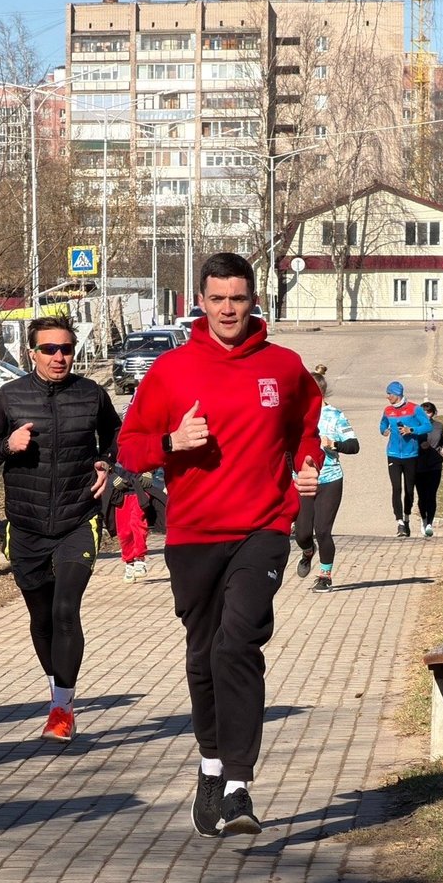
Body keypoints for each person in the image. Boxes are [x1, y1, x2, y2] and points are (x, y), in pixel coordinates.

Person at [118, 253, 321, 838]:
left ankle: (237, 785)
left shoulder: (283, 366)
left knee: (238, 644)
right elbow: (129, 447)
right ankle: (210, 767)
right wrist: (171, 441)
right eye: (218, 299)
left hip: (263, 529)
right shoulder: (172, 370)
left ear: (254, 299)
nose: (229, 309)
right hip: (192, 535)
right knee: (205, 655)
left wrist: (308, 463)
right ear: (200, 302)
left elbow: (307, 424)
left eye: (238, 298)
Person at [0, 315, 122, 744]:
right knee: (42, 616)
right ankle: (58, 693)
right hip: (26, 524)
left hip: (78, 517)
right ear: (31, 353)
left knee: (65, 609)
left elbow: (117, 435)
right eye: (49, 349)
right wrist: (6, 446)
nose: (59, 357)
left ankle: (62, 708)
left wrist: (107, 462)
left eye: (66, 349)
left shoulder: (91, 394)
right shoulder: (11, 396)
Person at [294, 364, 358, 592]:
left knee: (322, 530)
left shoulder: (335, 416)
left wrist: (334, 444)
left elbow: (354, 445)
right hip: (302, 480)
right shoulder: (295, 415)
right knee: (302, 533)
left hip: (330, 479)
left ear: (318, 392)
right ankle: (307, 551)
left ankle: (325, 576)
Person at [379, 381, 432, 538]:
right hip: (393, 454)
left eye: (390, 394)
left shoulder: (414, 409)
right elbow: (382, 424)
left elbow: (427, 426)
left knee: (409, 490)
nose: (388, 397)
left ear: (397, 394)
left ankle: (407, 516)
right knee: (396, 488)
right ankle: (400, 522)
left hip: (411, 455)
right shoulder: (388, 410)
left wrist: (411, 430)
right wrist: (384, 430)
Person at [111, 465, 167, 581]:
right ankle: (129, 563)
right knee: (124, 531)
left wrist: (149, 471)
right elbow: (103, 461)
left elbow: (154, 457)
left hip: (140, 489)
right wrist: (112, 477)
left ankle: (139, 560)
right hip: (121, 491)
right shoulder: (112, 452)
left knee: (137, 523)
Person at [414, 400, 443, 538]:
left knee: (432, 494)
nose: (426, 414)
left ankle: (429, 524)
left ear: (433, 413)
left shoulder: (438, 426)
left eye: (429, 412)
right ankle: (423, 520)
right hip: (419, 465)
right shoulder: (415, 426)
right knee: (422, 496)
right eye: (424, 412)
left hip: (435, 465)